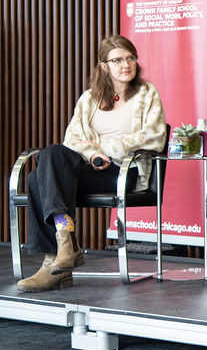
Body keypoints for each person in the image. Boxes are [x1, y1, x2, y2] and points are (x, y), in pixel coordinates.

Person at [17, 35, 166, 292]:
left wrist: (106, 147)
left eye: (130, 58)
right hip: (92, 166)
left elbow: (154, 137)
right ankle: (64, 248)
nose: (125, 65)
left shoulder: (147, 93)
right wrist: (94, 155)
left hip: (124, 171)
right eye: (117, 60)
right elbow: (72, 139)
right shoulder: (90, 98)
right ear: (104, 66)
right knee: (52, 153)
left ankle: (56, 259)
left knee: (36, 178)